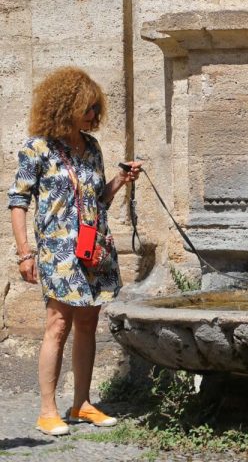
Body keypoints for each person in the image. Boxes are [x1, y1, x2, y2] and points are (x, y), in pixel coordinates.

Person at [8, 67, 142, 436]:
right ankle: (47, 410)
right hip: (56, 252)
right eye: (89, 108)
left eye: (97, 109)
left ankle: (81, 404)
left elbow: (97, 201)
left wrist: (120, 181)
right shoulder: (37, 148)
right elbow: (18, 202)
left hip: (93, 248)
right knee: (57, 324)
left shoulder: (92, 147)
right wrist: (24, 253)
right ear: (66, 105)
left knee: (87, 324)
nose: (95, 116)